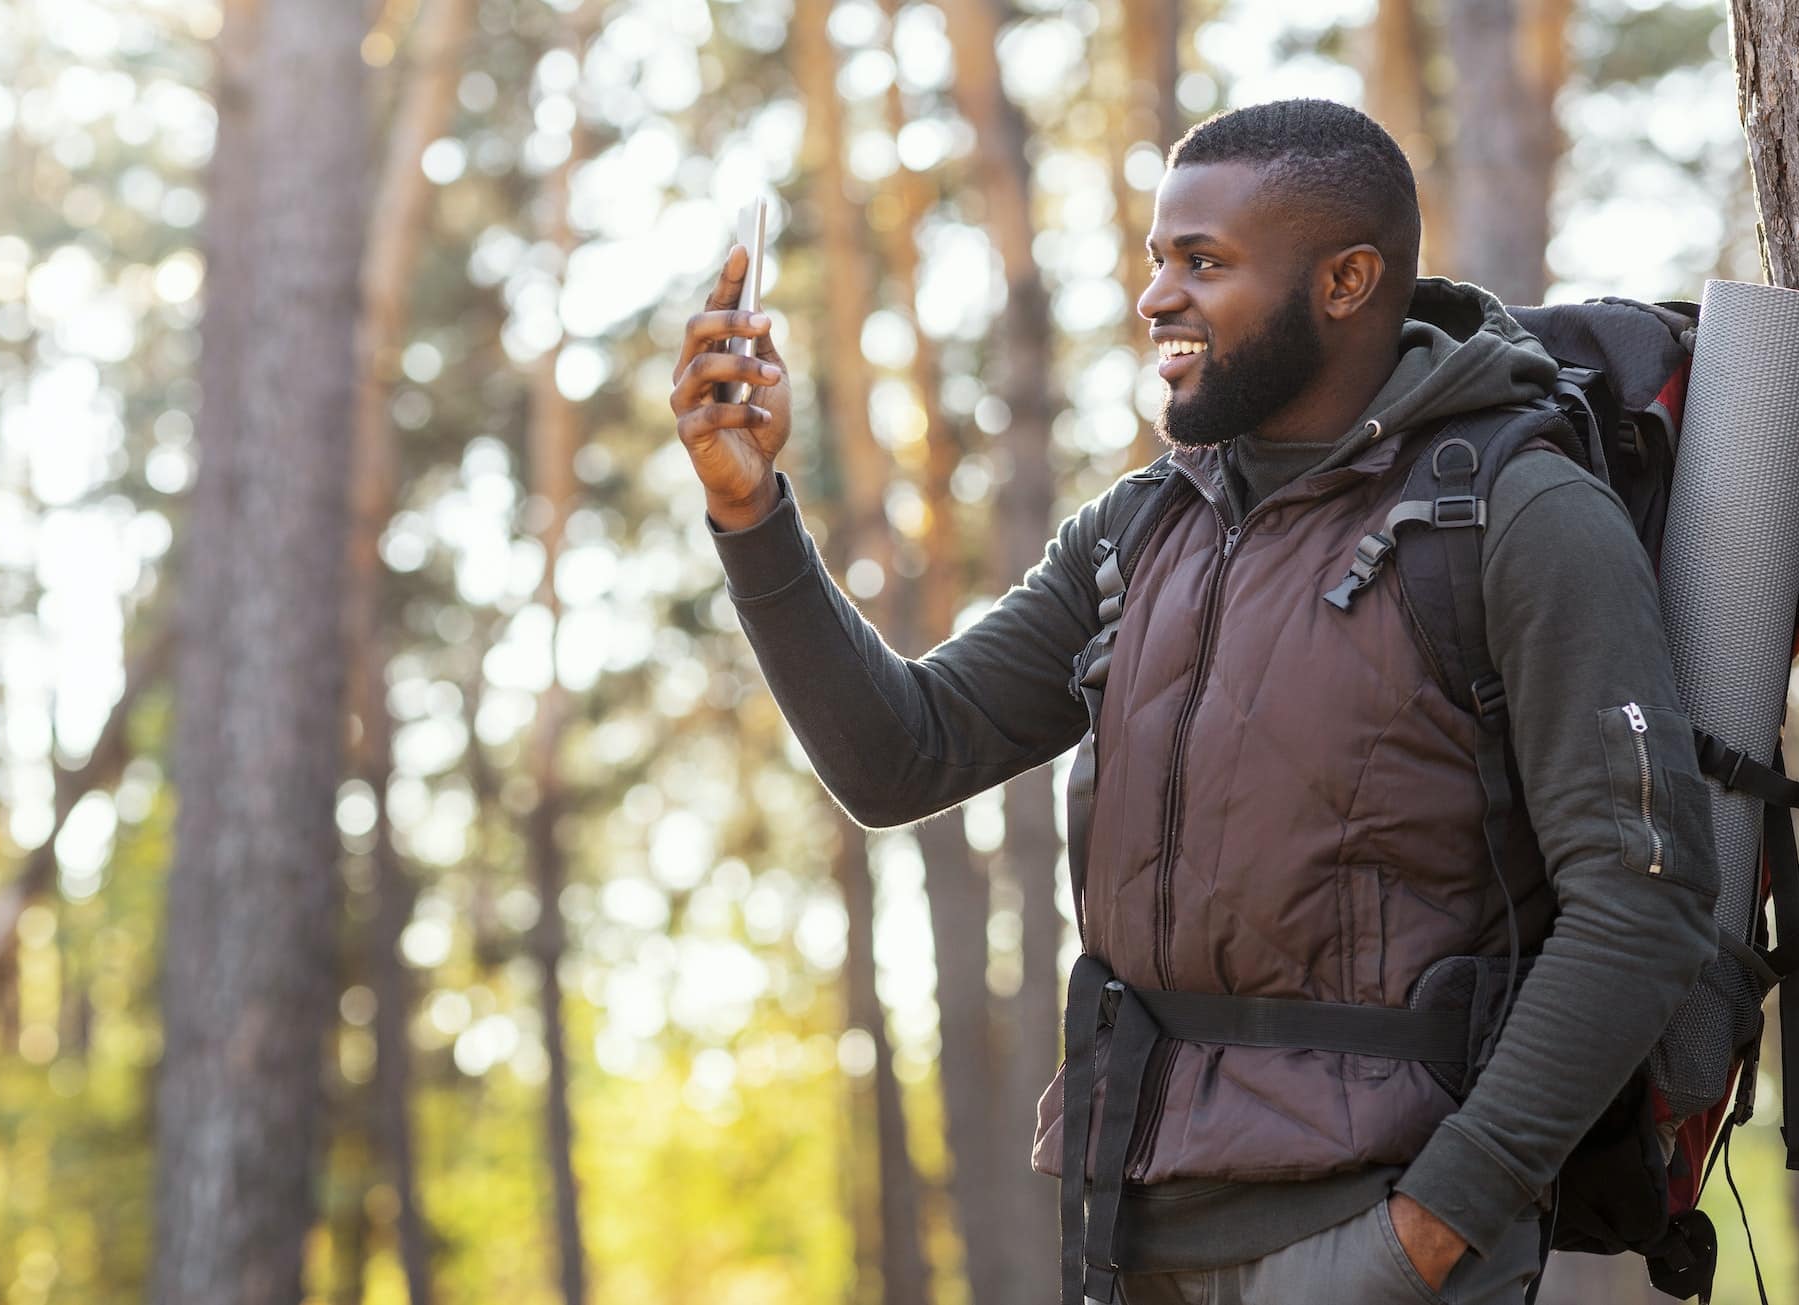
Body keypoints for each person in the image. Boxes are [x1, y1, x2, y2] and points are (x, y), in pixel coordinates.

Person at [669, 98, 1716, 1305]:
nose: (1154, 298)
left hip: (1378, 1243)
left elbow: (1638, 903)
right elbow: (903, 755)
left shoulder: (1516, 517)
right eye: (1156, 259)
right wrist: (752, 516)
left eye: (1201, 263)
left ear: (1345, 281)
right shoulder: (1139, 526)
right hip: (1132, 1238)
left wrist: (1435, 1228)